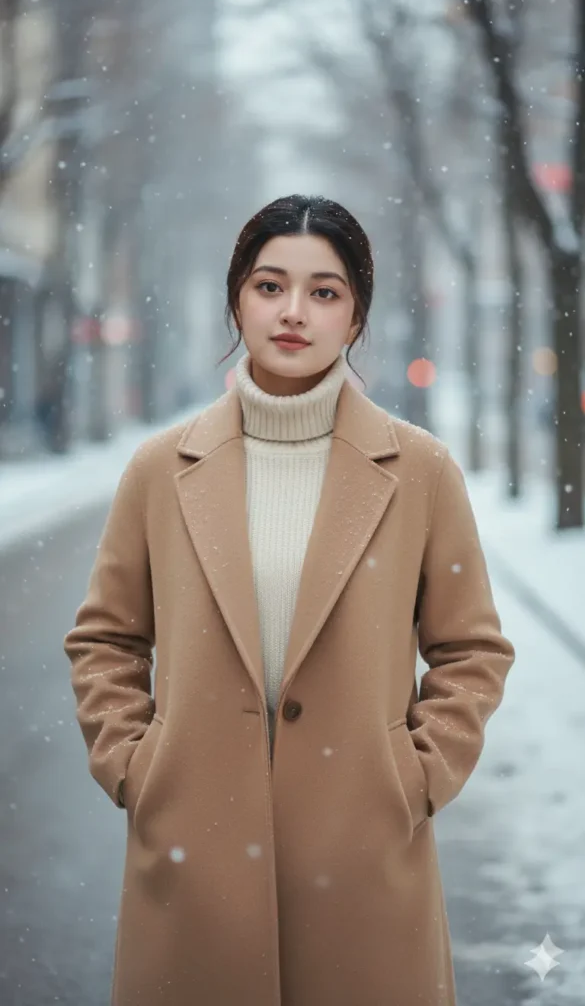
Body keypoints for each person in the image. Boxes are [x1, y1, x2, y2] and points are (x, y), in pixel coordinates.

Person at [64, 194, 515, 1006]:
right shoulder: (160, 470)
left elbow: (470, 649)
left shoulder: (419, 472)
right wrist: (138, 767)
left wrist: (412, 778)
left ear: (356, 315)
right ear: (236, 298)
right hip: (191, 858)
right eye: (269, 286)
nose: (293, 312)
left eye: (324, 291)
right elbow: (106, 639)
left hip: (365, 862)